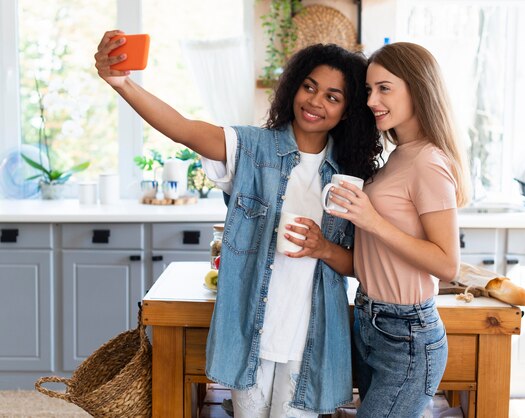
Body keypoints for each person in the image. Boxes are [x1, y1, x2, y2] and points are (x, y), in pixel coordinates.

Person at [94, 31, 381, 417]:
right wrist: (122, 83)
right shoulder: (250, 149)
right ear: (294, 88)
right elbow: (182, 127)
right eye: (309, 87)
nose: (314, 101)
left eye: (332, 96)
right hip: (251, 334)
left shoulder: (350, 175)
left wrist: (323, 248)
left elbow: (359, 266)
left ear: (347, 111)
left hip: (311, 342)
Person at [325, 42, 470, 417]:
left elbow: (447, 265)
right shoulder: (397, 157)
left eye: (384, 88)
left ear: (418, 88)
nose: (372, 100)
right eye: (370, 90)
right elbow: (374, 263)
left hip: (407, 334)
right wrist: (319, 246)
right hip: (372, 322)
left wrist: (372, 220)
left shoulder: (428, 162)